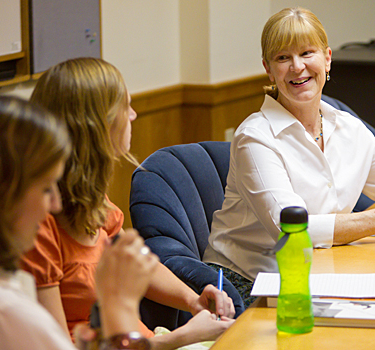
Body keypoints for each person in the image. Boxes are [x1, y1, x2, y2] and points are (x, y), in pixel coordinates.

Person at [203, 7, 375, 307]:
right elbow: (293, 230)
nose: (297, 67)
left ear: (327, 58)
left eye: (307, 53)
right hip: (248, 284)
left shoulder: (348, 128)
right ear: (268, 68)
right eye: (283, 58)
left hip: (325, 271)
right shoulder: (255, 138)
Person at [0, 92, 159, 349]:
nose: (55, 204)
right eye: (45, 188)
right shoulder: (3, 318)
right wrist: (120, 306)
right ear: (1, 196)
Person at [21, 57, 235, 350]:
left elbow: (140, 267)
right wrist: (181, 337)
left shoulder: (91, 196)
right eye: (126, 108)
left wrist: (193, 300)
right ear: (99, 126)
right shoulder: (38, 225)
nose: (133, 116)